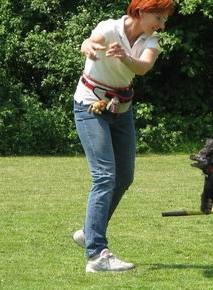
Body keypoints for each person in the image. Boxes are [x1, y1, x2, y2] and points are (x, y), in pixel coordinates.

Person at [72, 0, 175, 273]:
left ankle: (89, 231)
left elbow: (141, 67)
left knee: (124, 176)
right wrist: (88, 46)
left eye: (164, 19)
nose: (161, 24)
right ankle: (96, 255)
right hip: (89, 106)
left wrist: (124, 58)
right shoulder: (109, 28)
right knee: (105, 175)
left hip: (121, 111)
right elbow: (90, 41)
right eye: (158, 17)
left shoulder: (151, 41)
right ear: (141, 11)